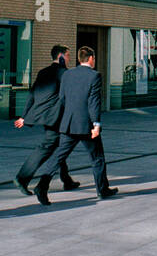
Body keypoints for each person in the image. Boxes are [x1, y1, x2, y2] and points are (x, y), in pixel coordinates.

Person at [31, 46, 116, 205]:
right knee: (97, 158)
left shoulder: (67, 74)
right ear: (91, 58)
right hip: (86, 126)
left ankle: (42, 185)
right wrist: (96, 124)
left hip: (68, 124)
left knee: (58, 156)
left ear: (79, 59)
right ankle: (102, 189)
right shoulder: (94, 76)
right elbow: (94, 102)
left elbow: (62, 98)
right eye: (94, 58)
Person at [13, 45, 81, 196]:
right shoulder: (64, 73)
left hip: (46, 117)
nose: (70, 59)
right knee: (47, 147)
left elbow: (32, 94)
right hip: (56, 118)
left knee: (60, 146)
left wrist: (24, 116)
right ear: (61, 57)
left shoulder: (43, 72)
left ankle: (66, 180)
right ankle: (22, 178)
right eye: (68, 55)